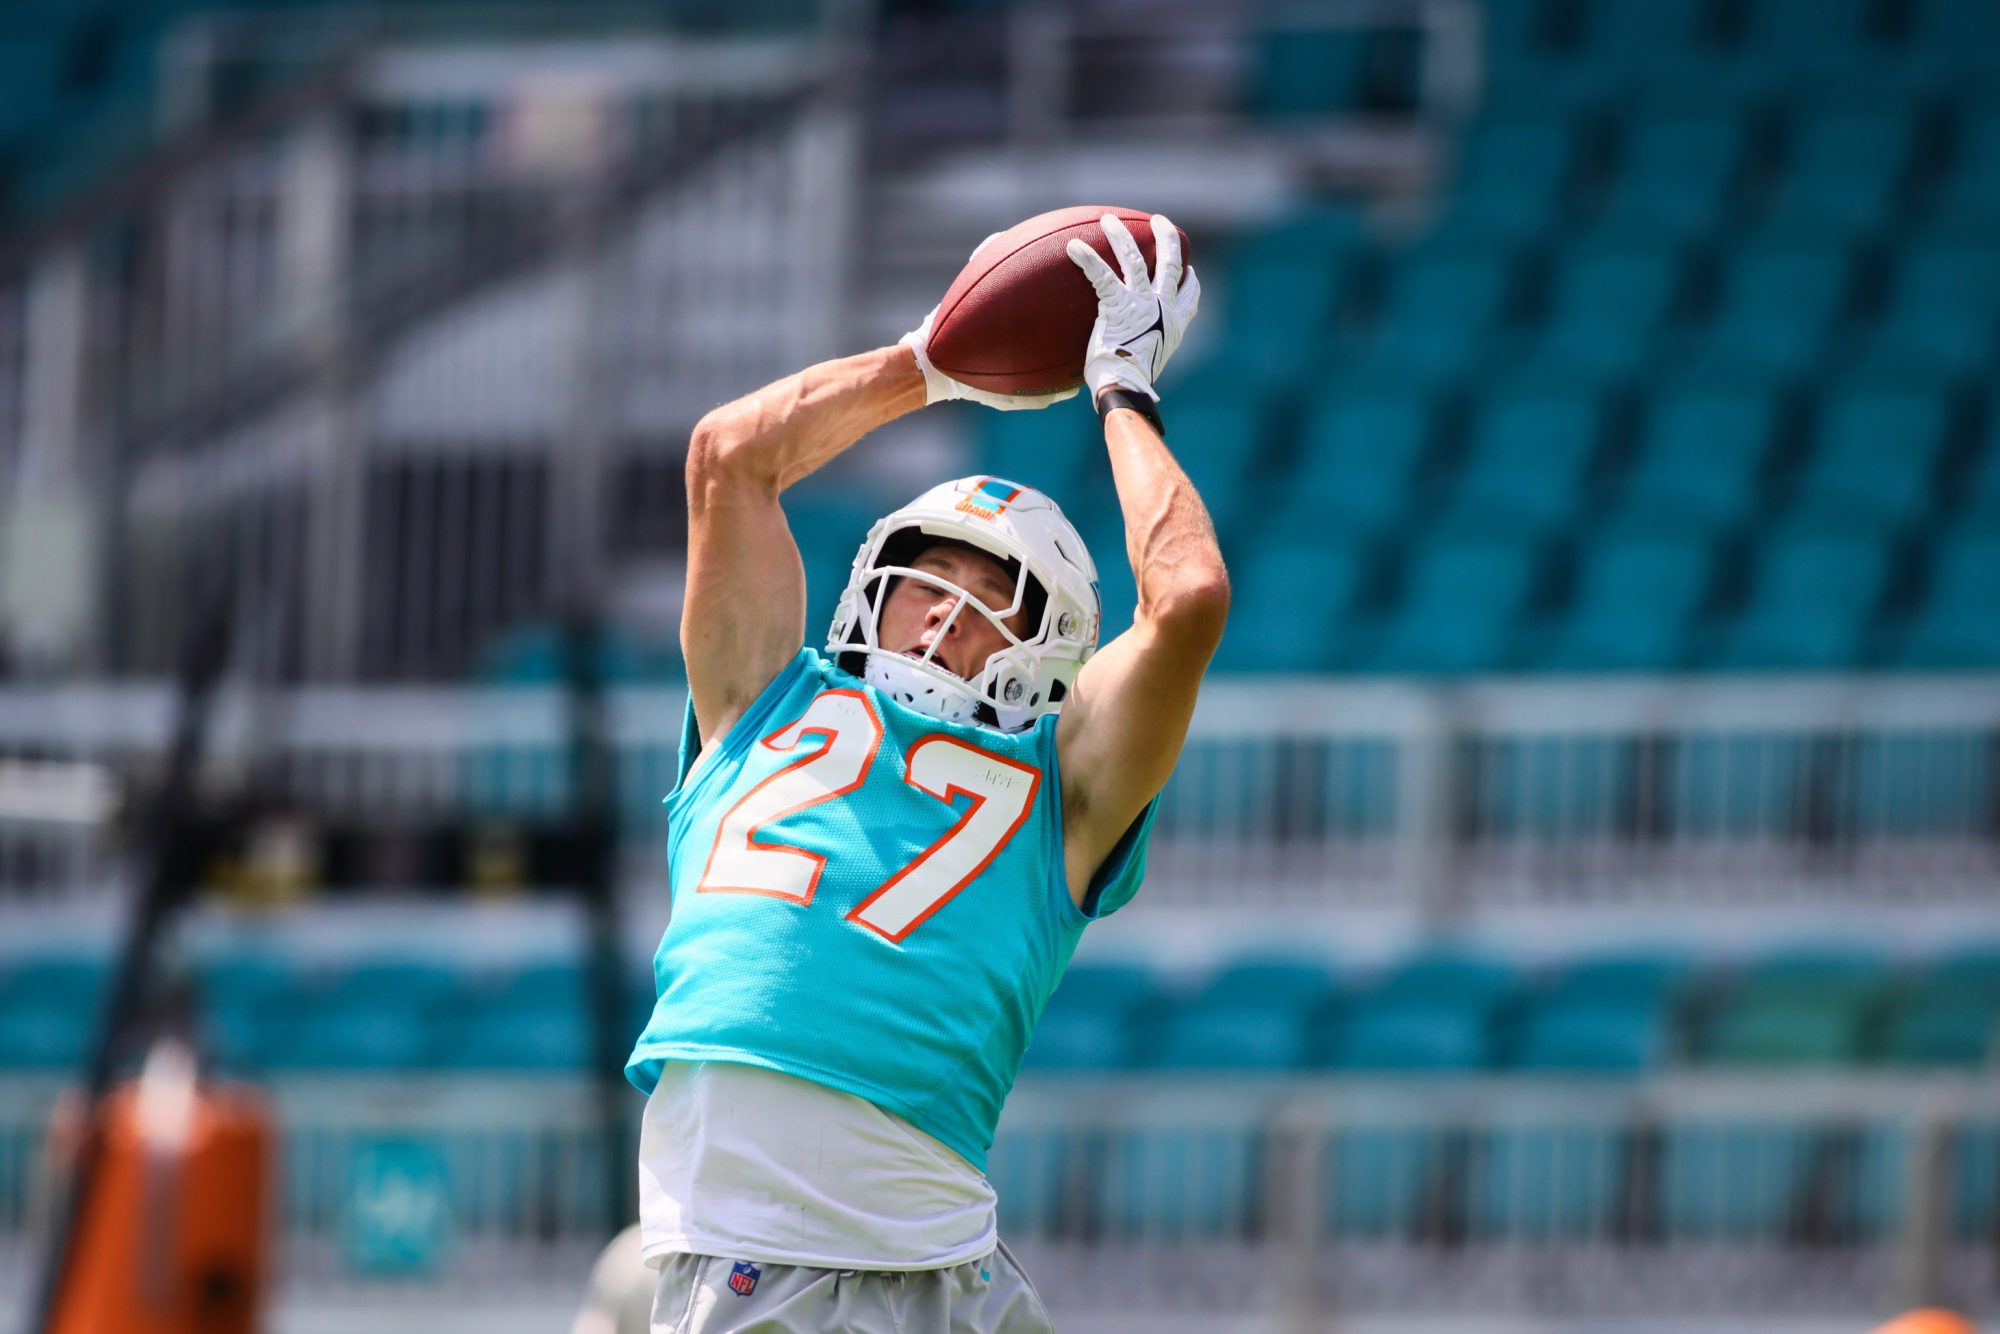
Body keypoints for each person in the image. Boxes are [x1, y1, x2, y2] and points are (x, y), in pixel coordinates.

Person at [625, 213, 1225, 1333]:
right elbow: (728, 456)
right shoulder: (762, 698)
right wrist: (930, 365)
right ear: (870, 585)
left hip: (939, 1260)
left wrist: (1119, 393)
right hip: (766, 1250)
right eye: (923, 579)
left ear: (1050, 654)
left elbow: (1185, 597)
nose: (948, 614)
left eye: (997, 601)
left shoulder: (1063, 778)